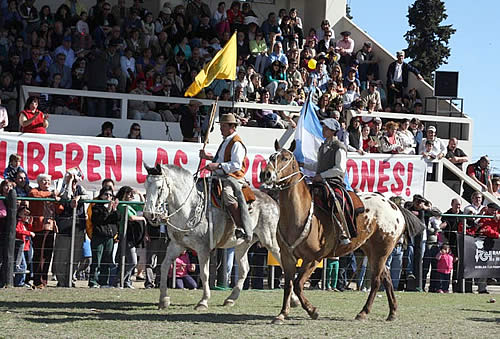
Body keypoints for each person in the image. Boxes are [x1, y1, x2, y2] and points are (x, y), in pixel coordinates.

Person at [199, 113, 253, 241]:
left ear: (232, 127)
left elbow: (236, 165)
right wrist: (208, 157)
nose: (221, 129)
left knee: (227, 194)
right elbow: (223, 159)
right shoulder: (227, 141)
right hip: (222, 175)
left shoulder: (236, 143)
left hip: (233, 177)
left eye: (223, 126)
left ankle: (240, 226)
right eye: (221, 126)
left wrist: (216, 166)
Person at [313, 118, 352, 245]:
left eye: (326, 128)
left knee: (336, 201)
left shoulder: (339, 147)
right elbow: (318, 166)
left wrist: (322, 176)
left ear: (333, 131)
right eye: (324, 127)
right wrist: (302, 164)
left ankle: (342, 230)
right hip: (320, 182)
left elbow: (339, 169)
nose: (323, 130)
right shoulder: (322, 146)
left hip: (333, 182)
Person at [53, 170, 88, 287]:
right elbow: (65, 196)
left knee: (75, 255)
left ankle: (70, 279)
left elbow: (87, 196)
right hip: (64, 228)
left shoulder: (80, 189)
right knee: (61, 255)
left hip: (78, 227)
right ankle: (61, 280)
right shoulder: (61, 187)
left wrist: (78, 197)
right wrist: (68, 182)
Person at [29, 174, 62, 289]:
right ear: (39, 182)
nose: (47, 182)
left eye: (48, 180)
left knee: (47, 254)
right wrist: (52, 194)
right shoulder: (35, 191)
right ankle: (37, 280)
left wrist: (57, 200)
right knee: (39, 254)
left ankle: (44, 280)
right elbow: (34, 195)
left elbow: (60, 209)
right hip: (39, 227)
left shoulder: (51, 194)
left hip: (51, 226)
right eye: (44, 180)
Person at [88, 187, 119, 288]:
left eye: (110, 195)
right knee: (97, 259)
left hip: (110, 237)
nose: (108, 197)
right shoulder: (96, 207)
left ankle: (103, 282)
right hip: (99, 236)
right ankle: (93, 281)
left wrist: (114, 210)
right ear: (101, 195)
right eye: (106, 194)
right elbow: (99, 220)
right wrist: (108, 209)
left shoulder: (112, 207)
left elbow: (117, 219)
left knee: (107, 260)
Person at [115, 186, 145, 288]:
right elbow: (131, 217)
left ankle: (126, 282)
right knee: (132, 261)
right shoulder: (122, 205)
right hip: (125, 235)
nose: (131, 196)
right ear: (124, 194)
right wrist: (142, 219)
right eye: (129, 194)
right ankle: (120, 280)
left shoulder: (130, 204)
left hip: (132, 235)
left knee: (128, 260)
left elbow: (143, 207)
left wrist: (140, 194)